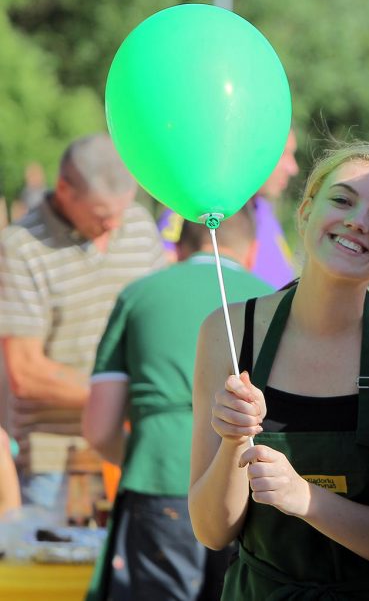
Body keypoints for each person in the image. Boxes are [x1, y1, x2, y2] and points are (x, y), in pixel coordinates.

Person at [189, 144, 369, 600]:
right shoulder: (228, 332)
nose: (357, 221)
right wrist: (232, 441)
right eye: (342, 200)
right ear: (306, 212)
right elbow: (211, 531)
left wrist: (306, 499)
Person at [81, 205, 272, 601]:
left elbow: (99, 428)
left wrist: (144, 459)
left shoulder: (139, 295)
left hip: (158, 474)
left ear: (178, 248)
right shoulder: (272, 301)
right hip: (247, 488)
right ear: (251, 250)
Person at [0, 133, 165, 519]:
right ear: (63, 189)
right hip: (56, 462)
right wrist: (118, 398)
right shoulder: (20, 245)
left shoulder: (138, 226)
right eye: (102, 213)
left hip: (133, 453)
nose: (112, 225)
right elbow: (25, 371)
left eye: (121, 212)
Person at [158, 129, 300, 288]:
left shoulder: (265, 213)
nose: (293, 168)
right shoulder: (196, 210)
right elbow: (167, 280)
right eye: (283, 154)